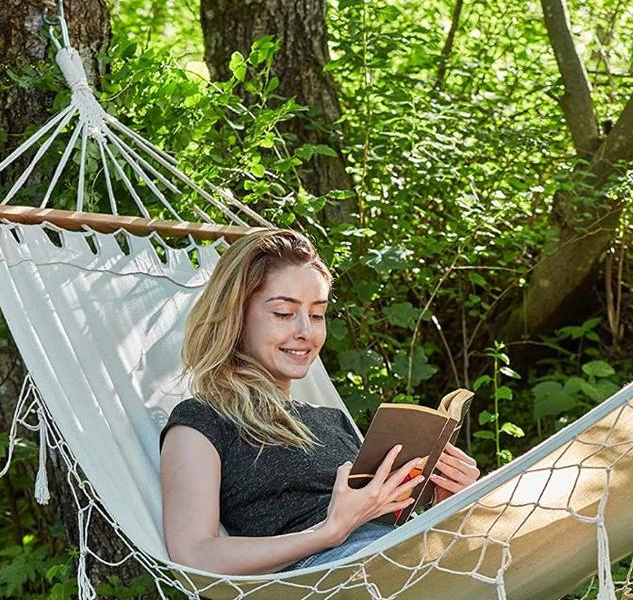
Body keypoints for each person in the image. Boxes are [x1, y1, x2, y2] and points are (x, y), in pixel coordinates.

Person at [159, 229, 480, 575]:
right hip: (332, 577)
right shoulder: (202, 421)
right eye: (284, 313)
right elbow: (195, 554)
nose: (306, 332)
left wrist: (447, 503)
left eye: (316, 315)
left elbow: (385, 520)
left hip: (402, 554)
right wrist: (326, 533)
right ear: (235, 317)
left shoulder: (332, 420)